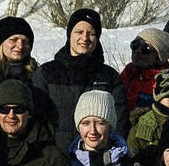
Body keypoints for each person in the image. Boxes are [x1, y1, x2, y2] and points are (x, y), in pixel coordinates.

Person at [40, 9, 123, 150]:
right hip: (57, 158)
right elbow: (37, 119)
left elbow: (120, 120)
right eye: (79, 32)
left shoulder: (109, 77)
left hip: (97, 157)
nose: (85, 38)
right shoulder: (47, 73)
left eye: (91, 33)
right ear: (69, 34)